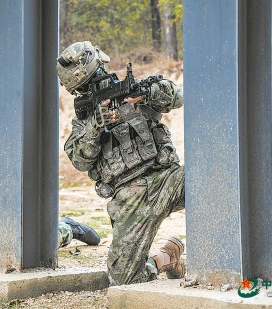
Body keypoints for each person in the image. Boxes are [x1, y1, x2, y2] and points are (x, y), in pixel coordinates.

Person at [57, 41, 185, 285]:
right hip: (128, 199)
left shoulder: (137, 90)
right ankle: (164, 259)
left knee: (214, 179)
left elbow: (178, 97)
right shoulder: (84, 121)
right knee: (124, 280)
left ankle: (245, 257)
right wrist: (95, 126)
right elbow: (80, 161)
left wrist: (147, 93)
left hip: (167, 179)